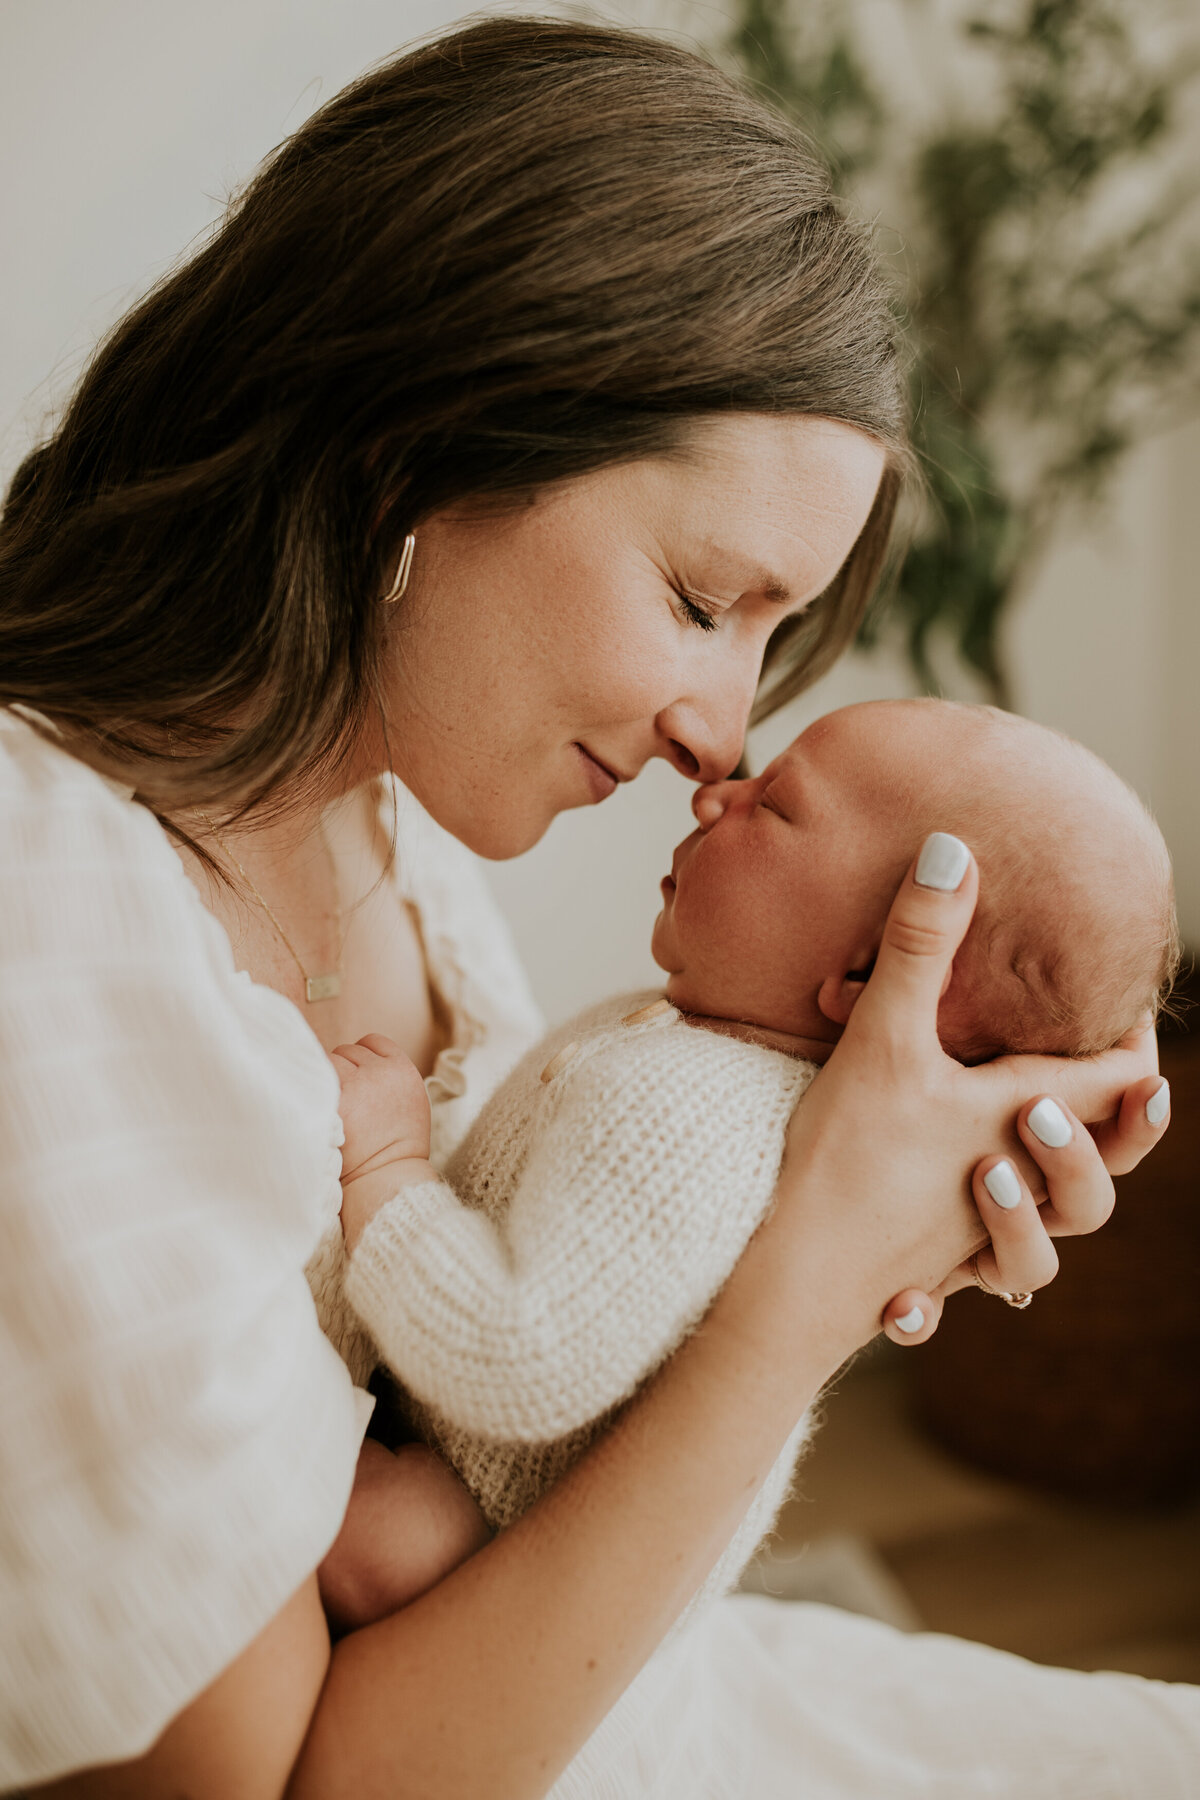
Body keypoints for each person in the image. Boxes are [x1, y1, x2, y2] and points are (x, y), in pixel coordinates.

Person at [0, 19, 1182, 1800]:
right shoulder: (55, 932)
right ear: (421, 443)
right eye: (707, 597)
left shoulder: (388, 841)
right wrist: (798, 1294)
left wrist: (858, 1209)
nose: (726, 726)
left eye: (771, 641)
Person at [315, 698, 1181, 1634]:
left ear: (874, 970)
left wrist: (390, 1171)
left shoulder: (697, 1121)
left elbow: (517, 1353)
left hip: (504, 1548)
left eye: (774, 805)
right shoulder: (693, 1044)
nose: (713, 797)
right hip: (508, 1476)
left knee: (368, 1535)